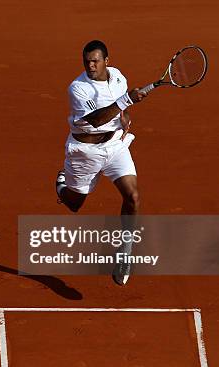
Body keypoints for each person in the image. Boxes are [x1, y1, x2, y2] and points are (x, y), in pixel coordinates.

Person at [55, 40, 148, 285]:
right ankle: (62, 186)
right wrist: (126, 102)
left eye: (95, 61)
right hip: (85, 152)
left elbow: (120, 109)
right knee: (74, 203)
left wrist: (125, 116)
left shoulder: (118, 78)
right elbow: (96, 119)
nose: (90, 65)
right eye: (87, 61)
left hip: (115, 146)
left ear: (107, 61)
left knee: (133, 197)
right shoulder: (78, 88)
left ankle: (124, 252)